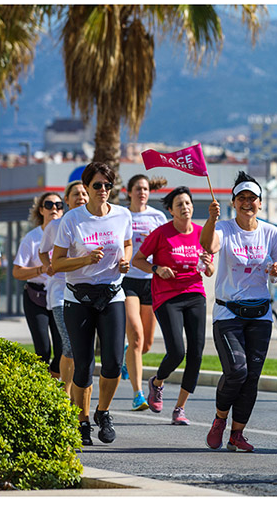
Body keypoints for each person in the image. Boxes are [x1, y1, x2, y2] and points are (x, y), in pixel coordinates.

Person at [200, 171, 277, 452]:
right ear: (233, 202)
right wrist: (211, 219)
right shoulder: (224, 228)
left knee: (252, 377)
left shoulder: (271, 233)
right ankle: (220, 419)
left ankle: (237, 434)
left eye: (252, 198)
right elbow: (208, 245)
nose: (246, 203)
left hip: (260, 315)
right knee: (237, 371)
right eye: (241, 198)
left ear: (260, 203)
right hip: (228, 314)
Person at [53, 162, 133, 445]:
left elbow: (127, 244)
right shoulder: (72, 219)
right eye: (97, 185)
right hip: (78, 298)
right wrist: (84, 259)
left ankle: (103, 412)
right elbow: (56, 263)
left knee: (113, 362)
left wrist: (125, 261)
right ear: (86, 187)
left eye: (107, 185)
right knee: (84, 365)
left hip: (112, 294)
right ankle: (83, 420)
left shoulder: (122, 215)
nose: (103, 190)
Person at [133, 186, 214, 425]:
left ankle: (180, 408)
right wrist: (156, 268)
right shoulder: (161, 233)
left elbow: (209, 271)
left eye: (188, 203)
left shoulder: (201, 233)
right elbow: (138, 260)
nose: (185, 207)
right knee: (177, 351)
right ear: (171, 210)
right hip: (167, 297)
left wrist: (208, 264)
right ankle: (157, 382)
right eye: (179, 204)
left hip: (195, 293)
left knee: (196, 352)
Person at [39, 181, 89, 399]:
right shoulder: (55, 226)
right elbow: (43, 251)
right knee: (68, 345)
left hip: (87, 293)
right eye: (76, 194)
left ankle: (75, 392)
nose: (81, 197)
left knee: (81, 347)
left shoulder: (94, 223)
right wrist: (49, 266)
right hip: (60, 292)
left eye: (84, 193)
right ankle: (66, 394)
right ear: (67, 200)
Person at [122, 174, 168, 411]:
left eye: (146, 189)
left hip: (152, 280)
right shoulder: (121, 215)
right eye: (138, 188)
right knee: (136, 337)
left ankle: (126, 356)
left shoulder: (157, 217)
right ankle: (138, 394)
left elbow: (166, 246)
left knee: (146, 344)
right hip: (128, 280)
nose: (142, 192)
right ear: (129, 191)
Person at [14, 192, 65, 377]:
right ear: (41, 210)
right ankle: (42, 387)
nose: (54, 209)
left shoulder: (67, 234)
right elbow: (17, 272)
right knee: (42, 349)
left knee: (63, 348)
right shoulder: (32, 237)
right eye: (49, 205)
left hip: (60, 295)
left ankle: (53, 383)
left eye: (59, 205)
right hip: (36, 296)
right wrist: (41, 269)